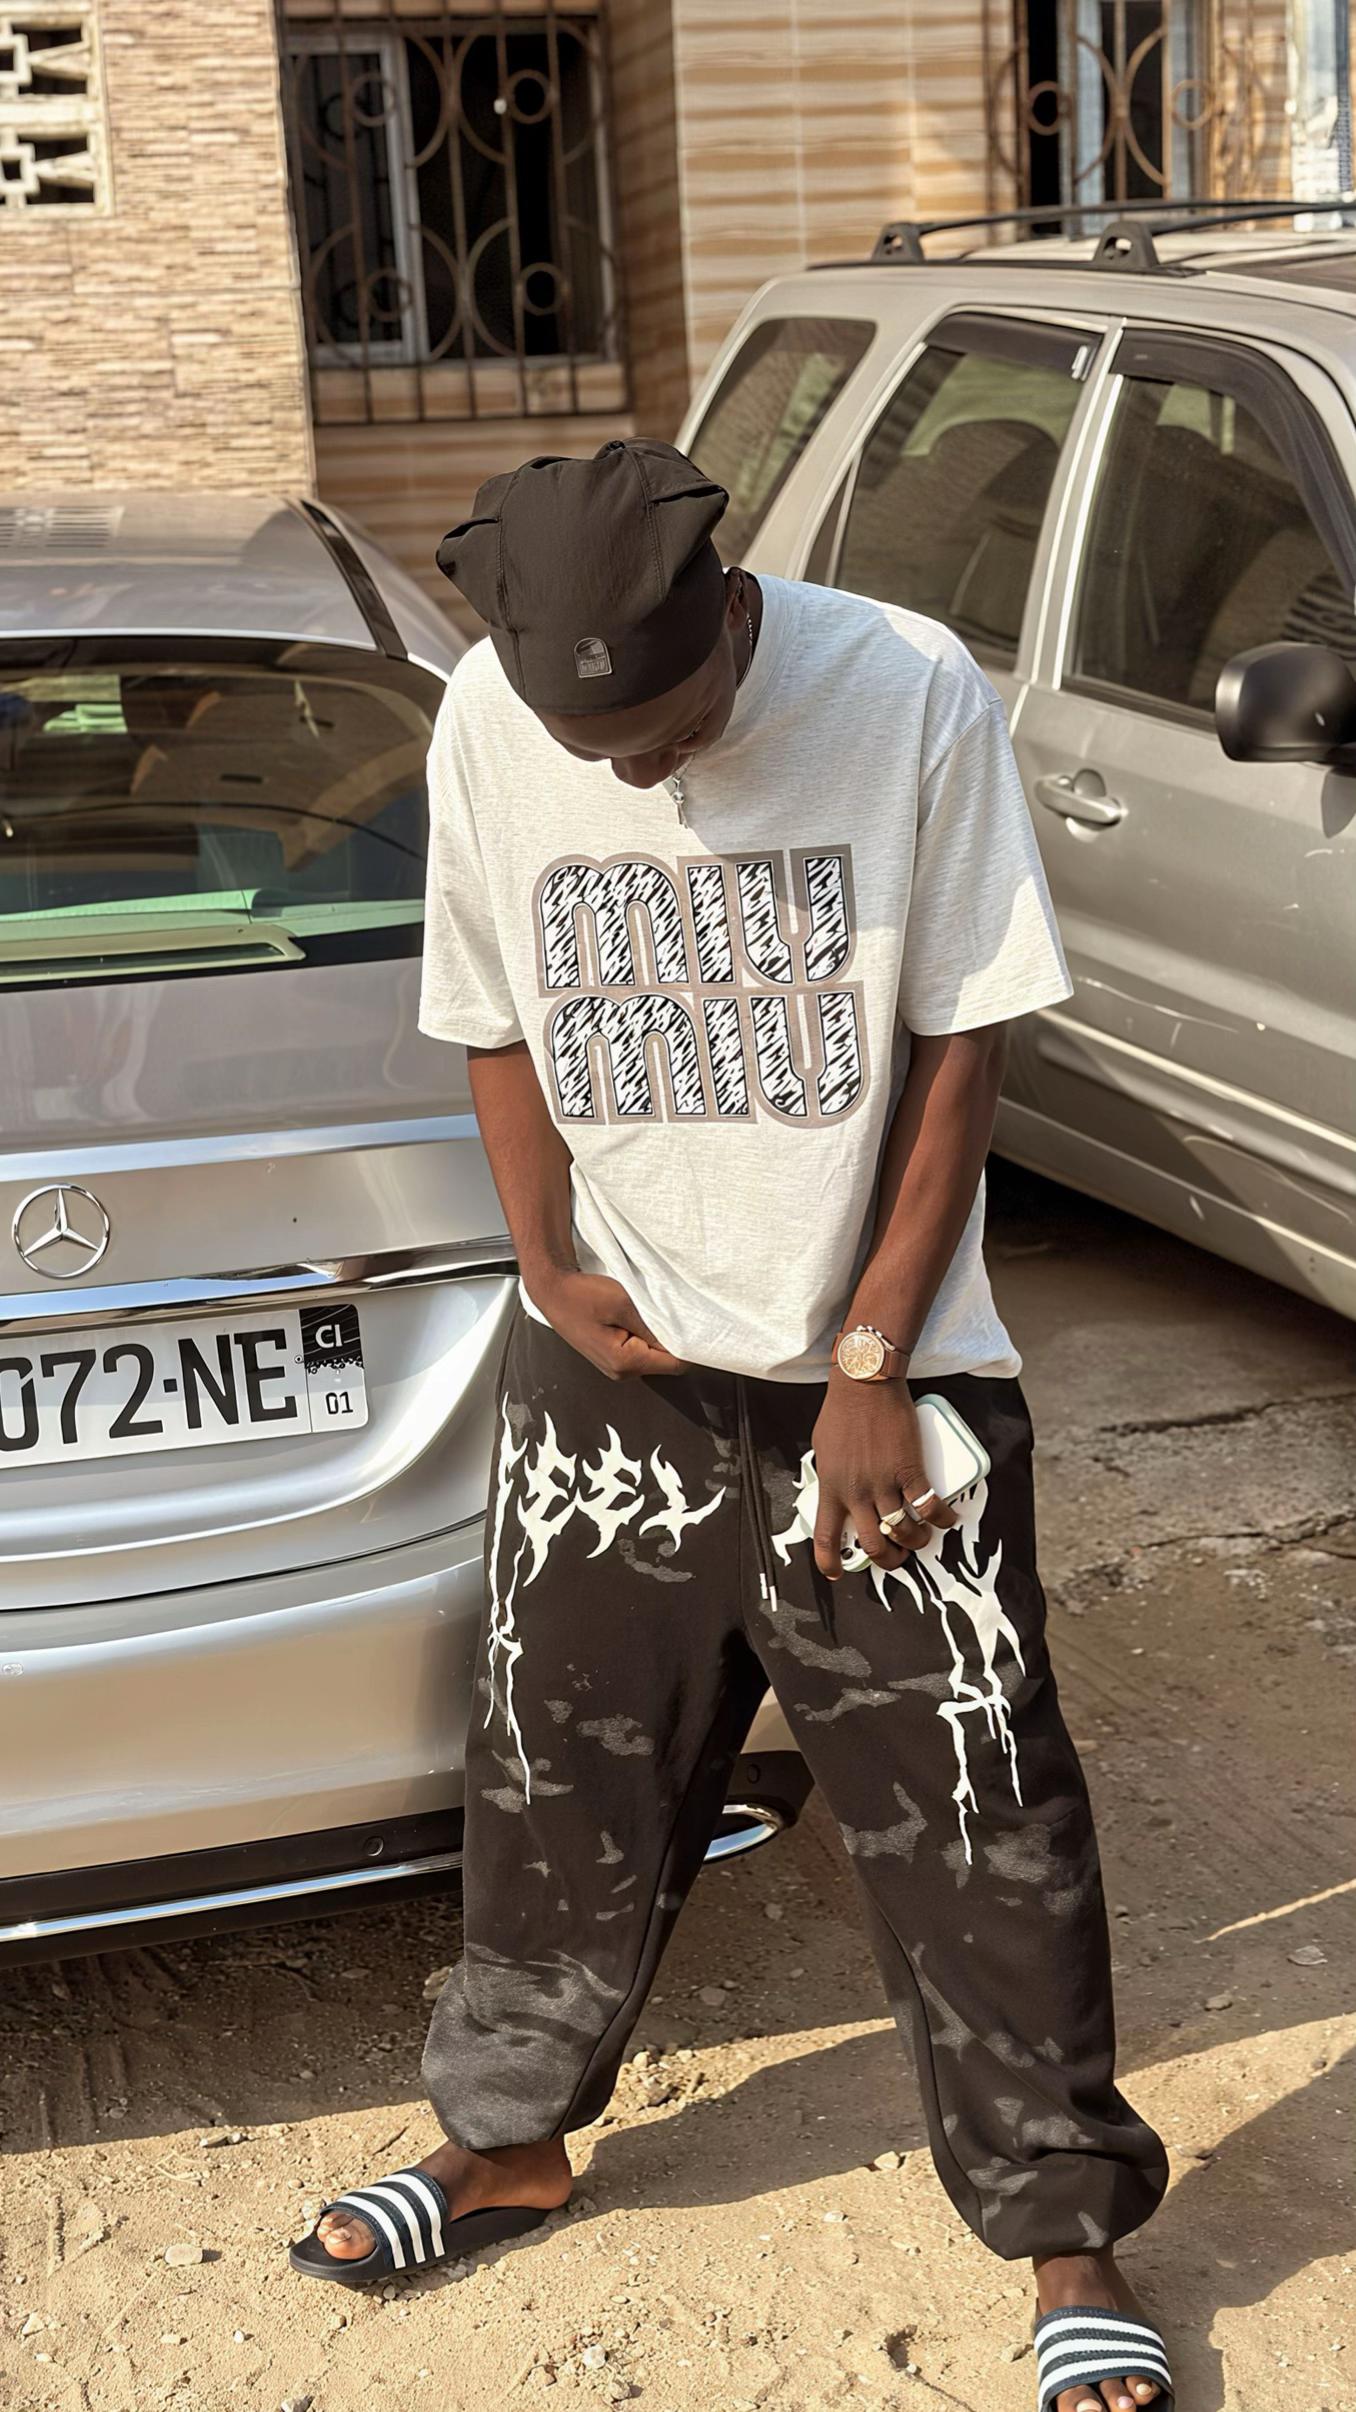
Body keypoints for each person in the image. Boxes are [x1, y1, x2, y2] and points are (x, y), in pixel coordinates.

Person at [289, 441, 1174, 2412]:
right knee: (555, 1777)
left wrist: (870, 1357)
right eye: (588, 742)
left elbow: (962, 1042)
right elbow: (491, 1008)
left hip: (884, 1384)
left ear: (730, 617)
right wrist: (543, 1261)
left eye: (670, 726)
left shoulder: (905, 688)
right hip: (616, 1369)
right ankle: (505, 2143)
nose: (634, 772)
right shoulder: (485, 718)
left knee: (977, 1805)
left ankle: (1064, 2228)